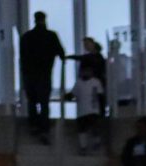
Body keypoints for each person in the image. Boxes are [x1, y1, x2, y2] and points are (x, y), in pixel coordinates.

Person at [19, 12, 65, 141]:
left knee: (32, 102)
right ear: (44, 20)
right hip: (44, 74)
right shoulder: (51, 36)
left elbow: (22, 58)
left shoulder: (27, 37)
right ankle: (44, 128)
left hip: (29, 75)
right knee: (44, 102)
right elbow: (61, 53)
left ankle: (33, 125)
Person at [71, 65, 105, 155]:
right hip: (81, 112)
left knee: (95, 127)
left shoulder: (96, 82)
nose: (85, 72)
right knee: (82, 129)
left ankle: (96, 142)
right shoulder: (78, 83)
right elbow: (72, 94)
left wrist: (102, 110)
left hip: (93, 110)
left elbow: (100, 96)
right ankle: (83, 147)